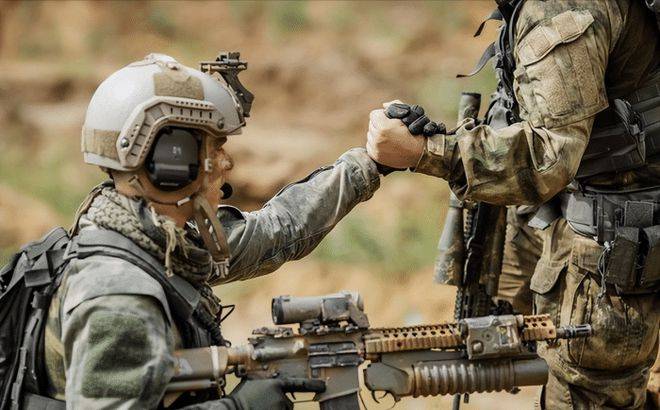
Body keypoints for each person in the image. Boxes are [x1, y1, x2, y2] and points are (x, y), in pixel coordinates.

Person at [36, 53, 382, 409]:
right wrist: (239, 407)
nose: (226, 163)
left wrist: (373, 162)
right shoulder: (119, 295)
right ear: (172, 159)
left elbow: (279, 230)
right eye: (216, 148)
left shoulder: (159, 243)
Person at [366, 0, 660, 408]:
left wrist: (427, 152)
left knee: (584, 397)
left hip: (616, 254)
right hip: (590, 224)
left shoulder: (556, 8)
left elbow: (549, 157)